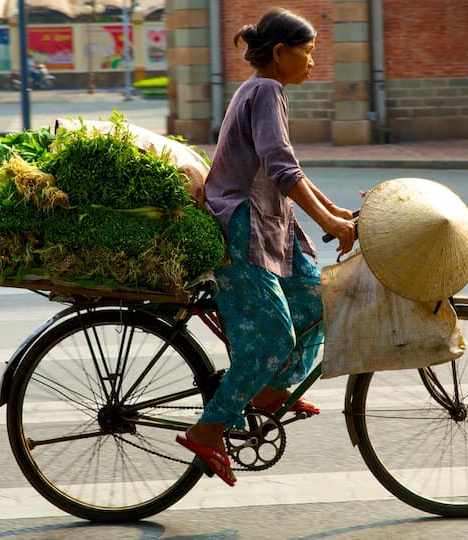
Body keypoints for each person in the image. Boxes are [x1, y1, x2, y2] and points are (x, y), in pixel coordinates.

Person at [175, 8, 356, 486]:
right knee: (274, 337)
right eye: (309, 52)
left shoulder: (263, 91)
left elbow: (287, 166)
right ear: (280, 54)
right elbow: (282, 170)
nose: (314, 62)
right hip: (243, 228)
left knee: (318, 302)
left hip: (273, 223)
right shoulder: (266, 90)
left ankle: (268, 395)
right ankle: (208, 431)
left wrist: (336, 213)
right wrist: (331, 224)